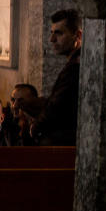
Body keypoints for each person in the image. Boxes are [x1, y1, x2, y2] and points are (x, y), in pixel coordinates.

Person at [33, 9, 82, 145]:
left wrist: (35, 127)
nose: (52, 39)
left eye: (59, 33)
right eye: (52, 33)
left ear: (77, 35)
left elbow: (56, 109)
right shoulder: (74, 63)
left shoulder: (76, 67)